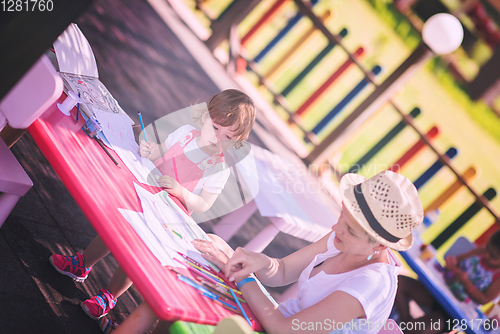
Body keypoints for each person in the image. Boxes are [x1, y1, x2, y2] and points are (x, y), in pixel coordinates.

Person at [112, 170, 424, 334]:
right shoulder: (345, 237)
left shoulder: (370, 285)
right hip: (272, 322)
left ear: (381, 246)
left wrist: (243, 277)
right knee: (177, 292)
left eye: (351, 229)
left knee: (173, 301)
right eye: (342, 213)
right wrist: (257, 261)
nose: (337, 227)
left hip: (278, 328)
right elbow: (283, 271)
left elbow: (286, 330)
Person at [48, 89, 256, 320]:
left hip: (168, 214)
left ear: (238, 142)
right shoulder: (186, 134)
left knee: (138, 251)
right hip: (145, 192)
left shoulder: (218, 168)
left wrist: (180, 191)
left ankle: (109, 295)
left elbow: (204, 204)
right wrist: (152, 150)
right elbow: (162, 151)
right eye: (216, 128)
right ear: (205, 116)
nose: (218, 138)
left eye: (228, 137)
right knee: (115, 229)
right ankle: (83, 263)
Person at [394, 230, 500, 334]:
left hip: (452, 313)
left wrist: (466, 282)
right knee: (400, 282)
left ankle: (406, 329)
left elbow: (484, 299)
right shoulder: (480, 251)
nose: (487, 255)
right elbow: (457, 260)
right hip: (438, 293)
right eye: (487, 248)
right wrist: (452, 264)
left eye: (493, 256)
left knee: (422, 329)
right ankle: (404, 325)